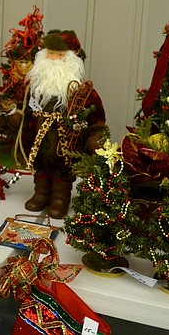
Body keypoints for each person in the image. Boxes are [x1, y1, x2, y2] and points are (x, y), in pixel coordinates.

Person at [19, 31, 107, 219]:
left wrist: (95, 135)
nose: (54, 60)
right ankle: (41, 194)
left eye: (60, 55)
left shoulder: (82, 92)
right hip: (40, 142)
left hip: (66, 141)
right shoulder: (35, 88)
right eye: (51, 54)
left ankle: (60, 199)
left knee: (62, 173)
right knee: (40, 170)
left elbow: (96, 116)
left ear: (71, 59)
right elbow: (26, 112)